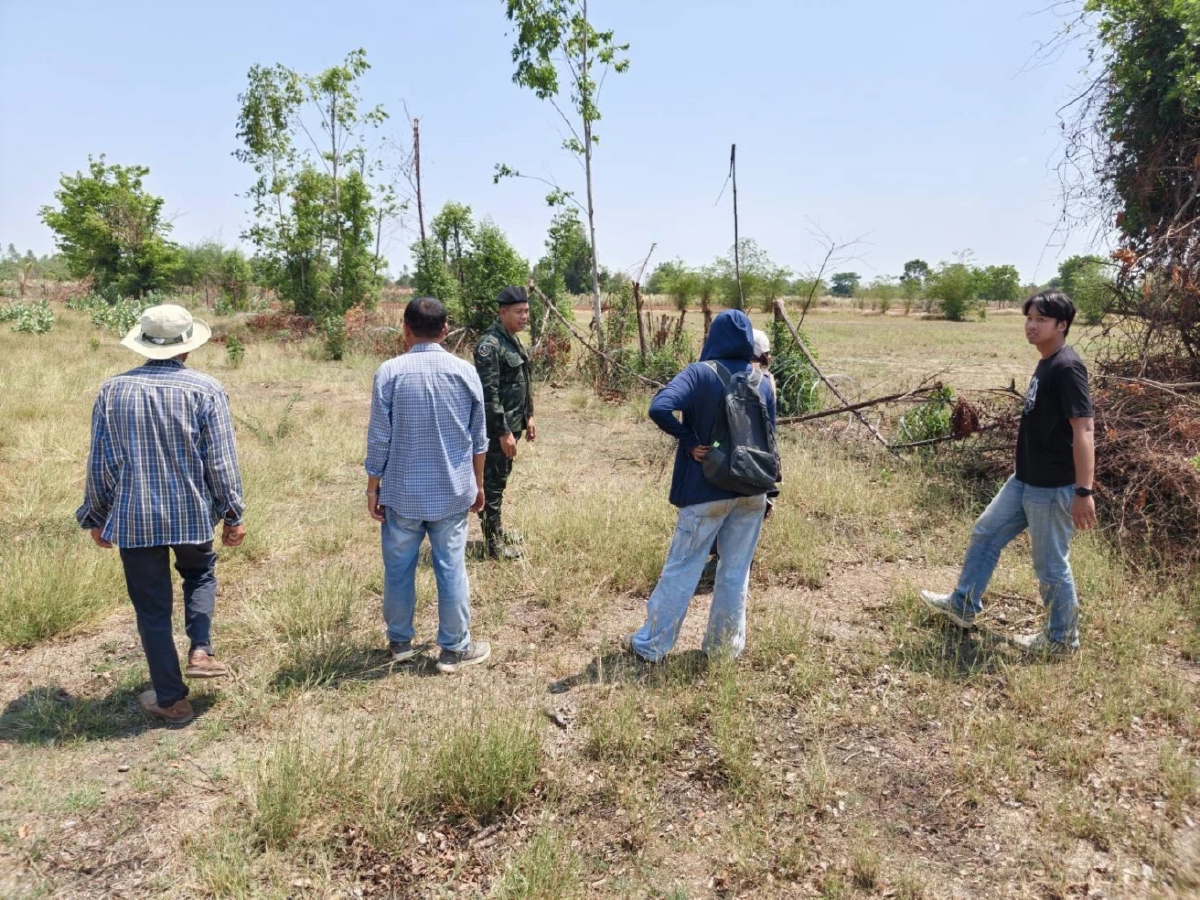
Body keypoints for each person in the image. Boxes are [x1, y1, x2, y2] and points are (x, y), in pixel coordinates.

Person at [77, 304, 245, 726]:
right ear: (188, 347)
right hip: (191, 513)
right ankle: (201, 649)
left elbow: (102, 462)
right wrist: (232, 512)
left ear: (145, 344)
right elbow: (220, 462)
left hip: (134, 519)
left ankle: (171, 699)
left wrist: (95, 515)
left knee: (152, 609)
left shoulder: (113, 391)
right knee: (200, 574)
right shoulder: (206, 390)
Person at [920, 290, 1097, 655]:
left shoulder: (1067, 366)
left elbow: (1085, 429)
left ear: (1062, 325)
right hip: (1024, 480)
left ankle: (1062, 640)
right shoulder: (1047, 361)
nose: (1031, 326)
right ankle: (963, 604)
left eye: (1041, 320)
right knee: (986, 533)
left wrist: (1083, 491)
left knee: (1050, 567)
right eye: (1029, 318)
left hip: (1051, 487)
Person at [625, 309, 779, 663]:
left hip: (706, 489)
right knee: (736, 571)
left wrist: (690, 439)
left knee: (683, 566)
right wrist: (771, 492)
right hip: (753, 488)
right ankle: (724, 649)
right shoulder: (763, 381)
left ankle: (652, 645)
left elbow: (659, 407)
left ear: (714, 336)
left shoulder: (700, 373)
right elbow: (770, 438)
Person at [365, 296, 492, 673]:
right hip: (452, 491)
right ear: (445, 330)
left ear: (405, 329)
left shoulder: (389, 372)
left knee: (398, 569)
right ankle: (454, 649)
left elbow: (379, 438)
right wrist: (479, 484)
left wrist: (373, 487)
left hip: (401, 493)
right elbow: (478, 438)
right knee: (451, 566)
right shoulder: (465, 372)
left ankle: (401, 643)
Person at [473, 286, 536, 560]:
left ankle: (496, 531)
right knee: (493, 483)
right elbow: (490, 394)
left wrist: (529, 416)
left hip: (513, 423)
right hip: (497, 431)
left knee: (501, 480)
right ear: (502, 313)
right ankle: (493, 545)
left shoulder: (511, 339)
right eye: (518, 312)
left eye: (526, 311)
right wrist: (502, 432)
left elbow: (523, 381)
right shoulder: (490, 345)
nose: (524, 317)